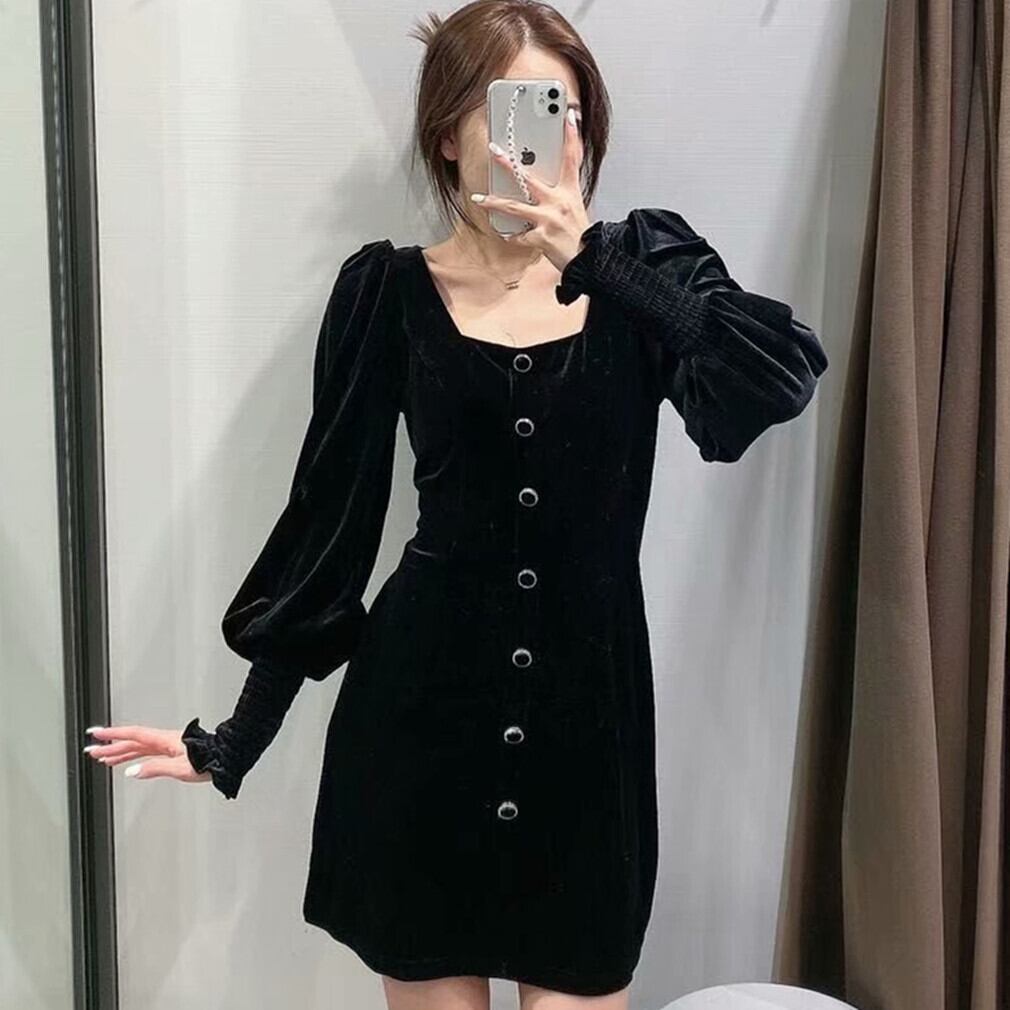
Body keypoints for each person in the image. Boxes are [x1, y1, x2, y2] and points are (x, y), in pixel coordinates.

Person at [82, 2, 829, 1008]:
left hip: (586, 738)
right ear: (448, 134)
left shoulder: (647, 267)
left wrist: (599, 265)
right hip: (419, 728)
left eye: (566, 111)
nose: (550, 138)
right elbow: (329, 525)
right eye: (518, 109)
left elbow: (774, 379)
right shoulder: (385, 296)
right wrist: (234, 738)